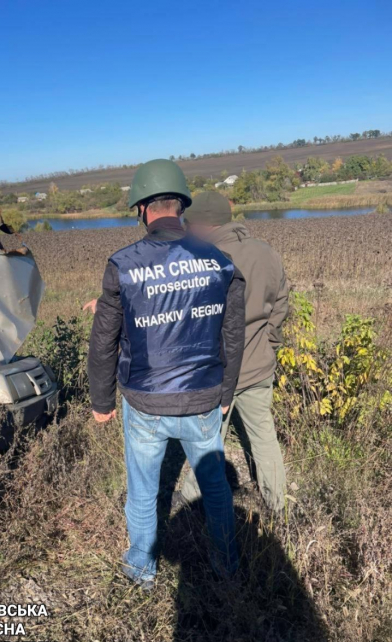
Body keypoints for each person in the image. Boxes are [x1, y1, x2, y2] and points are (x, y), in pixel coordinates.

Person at [87, 160, 246, 590]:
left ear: (142, 209)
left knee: (142, 491)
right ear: (181, 205)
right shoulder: (221, 262)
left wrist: (101, 401)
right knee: (215, 489)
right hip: (204, 400)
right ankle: (227, 564)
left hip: (144, 403)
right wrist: (227, 392)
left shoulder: (123, 265)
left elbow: (103, 339)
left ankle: (141, 570)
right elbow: (232, 336)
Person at [178, 191, 289, 512]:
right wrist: (269, 346)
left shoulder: (199, 260)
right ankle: (279, 506)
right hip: (259, 367)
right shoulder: (265, 253)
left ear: (200, 224)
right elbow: (279, 306)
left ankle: (189, 500)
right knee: (264, 437)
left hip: (215, 375)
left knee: (208, 441)